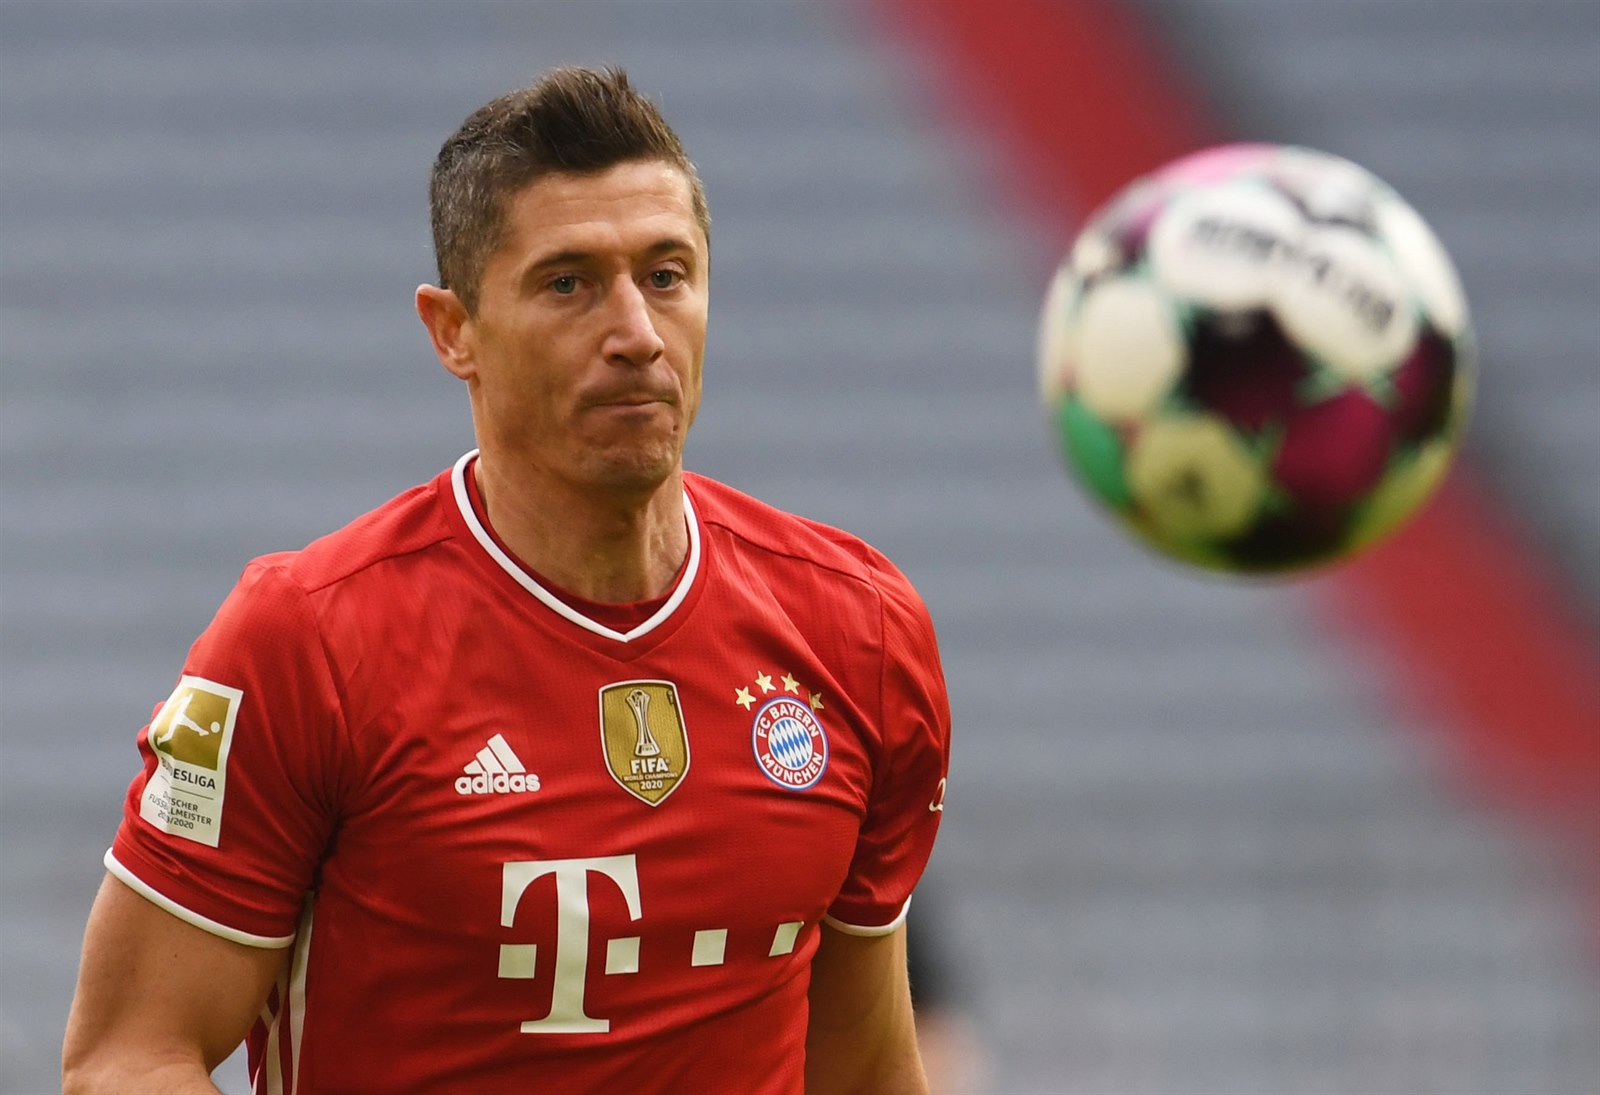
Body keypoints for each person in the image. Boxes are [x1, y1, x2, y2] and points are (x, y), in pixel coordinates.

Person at [61, 66, 952, 1094]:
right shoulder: (307, 641)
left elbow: (865, 1067)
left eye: (667, 275)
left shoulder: (859, 632)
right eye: (568, 283)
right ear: (454, 331)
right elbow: (128, 1057)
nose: (636, 334)